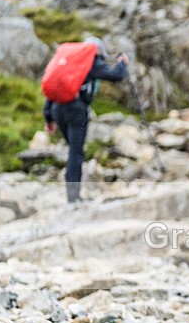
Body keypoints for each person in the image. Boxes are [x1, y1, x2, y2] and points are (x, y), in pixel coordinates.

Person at [44, 37, 128, 203]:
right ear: (97, 50)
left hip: (57, 109)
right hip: (76, 110)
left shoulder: (71, 61)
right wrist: (122, 63)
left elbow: (52, 93)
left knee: (72, 150)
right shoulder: (90, 60)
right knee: (76, 152)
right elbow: (116, 75)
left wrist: (48, 119)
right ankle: (73, 197)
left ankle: (71, 191)